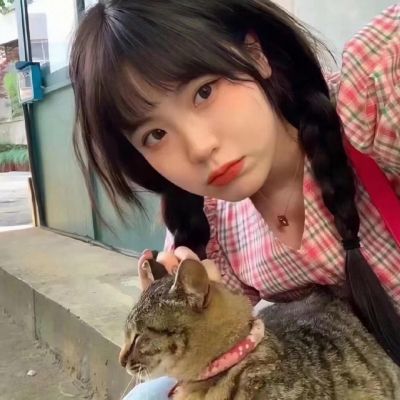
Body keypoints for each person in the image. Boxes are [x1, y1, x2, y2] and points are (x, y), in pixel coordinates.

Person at [69, 1, 400, 398]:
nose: (200, 146)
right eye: (155, 135)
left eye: (204, 92)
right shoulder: (210, 224)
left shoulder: (371, 104)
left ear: (255, 54)